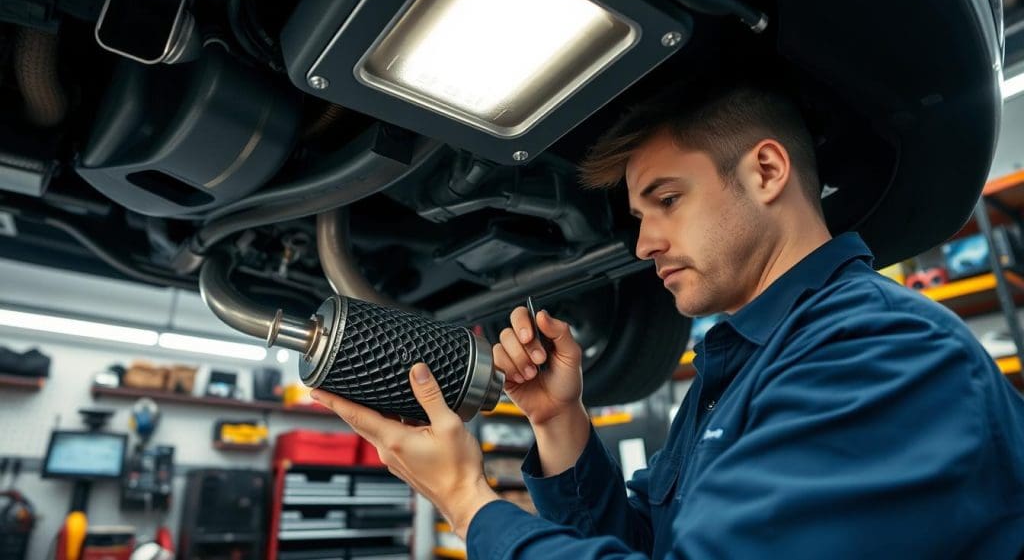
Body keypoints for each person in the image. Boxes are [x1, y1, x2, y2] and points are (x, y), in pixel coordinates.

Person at [311, 79, 1024, 558]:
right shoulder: (740, 363)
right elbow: (650, 541)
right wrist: (561, 423)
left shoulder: (880, 352)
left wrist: (468, 502)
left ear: (767, 171)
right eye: (638, 214)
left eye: (667, 199)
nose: (645, 242)